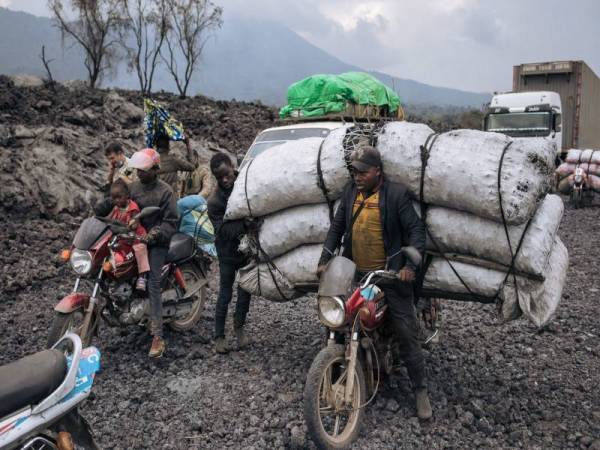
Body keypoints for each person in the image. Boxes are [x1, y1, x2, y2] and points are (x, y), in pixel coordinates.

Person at [316, 145, 432, 420]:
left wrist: (409, 266)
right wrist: (324, 260)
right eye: (353, 172)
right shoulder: (350, 193)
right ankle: (332, 374)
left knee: (407, 332)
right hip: (355, 274)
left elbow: (416, 231)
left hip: (389, 276)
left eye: (362, 172)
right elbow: (337, 227)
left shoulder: (395, 195)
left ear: (377, 171)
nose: (356, 177)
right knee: (336, 321)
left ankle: (420, 391)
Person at [125, 148, 179, 358]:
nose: (140, 173)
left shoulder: (165, 192)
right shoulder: (134, 188)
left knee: (153, 282)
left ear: (156, 170)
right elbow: (125, 207)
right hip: (135, 237)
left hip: (157, 242)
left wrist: (153, 235)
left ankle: (158, 336)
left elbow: (171, 222)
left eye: (145, 170)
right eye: (138, 170)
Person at [207, 153, 253, 354]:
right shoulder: (215, 202)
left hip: (246, 251)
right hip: (226, 253)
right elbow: (223, 230)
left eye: (227, 175)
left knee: (245, 290)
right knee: (225, 293)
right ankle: (219, 336)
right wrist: (244, 224)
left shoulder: (245, 182)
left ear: (232, 167)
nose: (225, 180)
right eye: (220, 178)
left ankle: (239, 328)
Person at [107, 179, 150, 291]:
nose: (116, 201)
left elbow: (135, 223)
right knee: (110, 249)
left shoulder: (133, 207)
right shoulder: (116, 208)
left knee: (140, 250)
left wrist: (132, 223)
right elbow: (109, 218)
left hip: (136, 236)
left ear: (127, 196)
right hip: (122, 236)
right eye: (114, 198)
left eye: (119, 197)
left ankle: (142, 276)